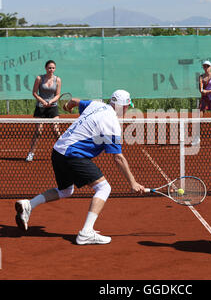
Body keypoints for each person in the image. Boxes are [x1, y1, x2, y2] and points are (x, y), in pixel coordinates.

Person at [15, 89, 145, 245]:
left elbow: (76, 101)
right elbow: (118, 158)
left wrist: (68, 106)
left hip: (58, 151)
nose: (127, 110)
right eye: (127, 107)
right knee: (104, 188)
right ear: (123, 107)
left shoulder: (97, 105)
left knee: (65, 190)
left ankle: (29, 204)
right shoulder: (112, 124)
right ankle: (86, 233)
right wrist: (133, 182)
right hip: (73, 154)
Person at [25, 60, 62, 162]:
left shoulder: (57, 79)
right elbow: (34, 93)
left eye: (53, 68)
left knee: (56, 130)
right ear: (46, 68)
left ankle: (64, 152)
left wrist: (50, 101)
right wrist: (43, 101)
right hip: (41, 107)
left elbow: (58, 95)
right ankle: (31, 153)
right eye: (49, 68)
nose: (51, 70)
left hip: (53, 107)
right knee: (38, 131)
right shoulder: (39, 78)